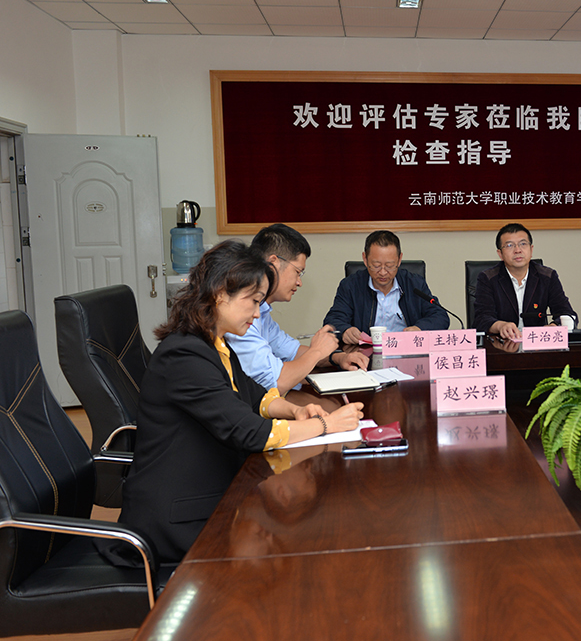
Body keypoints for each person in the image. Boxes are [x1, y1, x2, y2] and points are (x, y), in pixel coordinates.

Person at [117, 240, 364, 564]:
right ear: (220, 294)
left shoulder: (215, 344)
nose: (258, 312)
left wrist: (295, 410)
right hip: (178, 521)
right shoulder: (184, 355)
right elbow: (249, 432)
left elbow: (255, 395)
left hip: (214, 495)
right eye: (253, 301)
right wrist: (324, 425)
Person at [227, 224, 367, 392]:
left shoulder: (262, 311)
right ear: (273, 263)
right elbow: (277, 382)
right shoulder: (242, 317)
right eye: (298, 272)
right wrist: (316, 351)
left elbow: (292, 351)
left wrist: (339, 358)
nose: (299, 282)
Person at [324, 230, 449, 345]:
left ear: (399, 260)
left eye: (389, 266)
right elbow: (333, 320)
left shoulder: (414, 284)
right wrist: (345, 330)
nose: (383, 272)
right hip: (365, 355)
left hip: (406, 351)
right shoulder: (350, 286)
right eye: (376, 265)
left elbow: (440, 316)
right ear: (365, 259)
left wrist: (419, 328)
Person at [472, 223, 577, 340]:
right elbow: (481, 319)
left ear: (531, 250)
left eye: (523, 244)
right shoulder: (488, 278)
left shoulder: (547, 276)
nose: (517, 250)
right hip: (502, 344)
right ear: (500, 254)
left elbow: (568, 314)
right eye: (510, 245)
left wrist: (553, 326)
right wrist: (500, 326)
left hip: (537, 344)